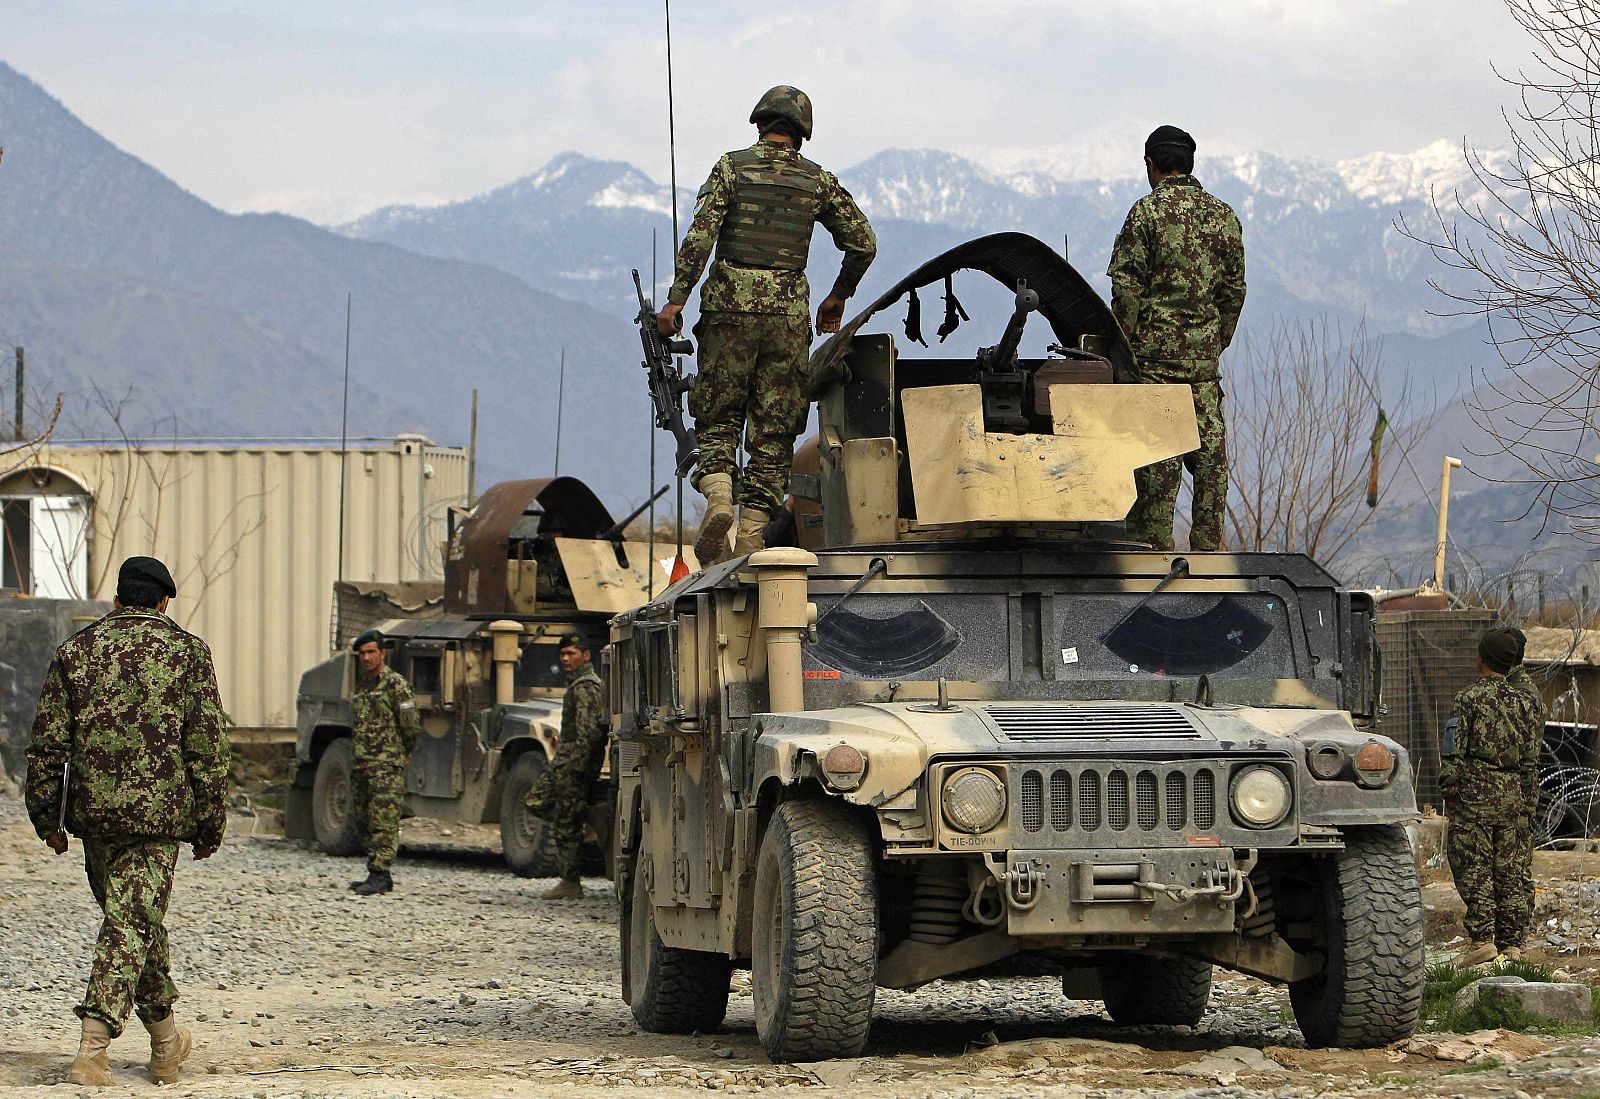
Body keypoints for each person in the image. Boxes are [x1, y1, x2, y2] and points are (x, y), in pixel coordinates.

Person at [24, 555, 227, 1086]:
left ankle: (166, 1043)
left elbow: (46, 745)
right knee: (132, 922)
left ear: (117, 600)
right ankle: (92, 1049)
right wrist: (209, 824)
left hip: (95, 818)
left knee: (131, 921)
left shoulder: (76, 652)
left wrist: (47, 816)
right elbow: (207, 750)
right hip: (159, 821)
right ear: (164, 602)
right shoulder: (188, 653)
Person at [657, 84, 876, 565]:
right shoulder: (817, 181)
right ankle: (754, 535)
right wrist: (838, 296)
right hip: (786, 318)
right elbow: (863, 242)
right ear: (801, 131)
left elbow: (699, 240)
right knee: (774, 433)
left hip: (727, 313)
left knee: (717, 420)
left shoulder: (731, 168)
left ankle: (718, 500)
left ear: (760, 123)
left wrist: (675, 303)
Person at [1108, 124, 1246, 552]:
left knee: (1155, 476)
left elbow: (1126, 293)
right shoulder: (1223, 217)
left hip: (1153, 377)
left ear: (1151, 165)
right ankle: (1207, 563)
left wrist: (1122, 351)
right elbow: (1233, 292)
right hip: (1203, 376)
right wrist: (1209, 343)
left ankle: (1152, 566)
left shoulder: (1146, 214)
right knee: (1210, 473)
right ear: (1190, 163)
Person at [1442, 628, 1543, 967]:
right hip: (1513, 797)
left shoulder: (1468, 698)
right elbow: (1531, 760)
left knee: (1475, 868)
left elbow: (1453, 752)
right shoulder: (1527, 700)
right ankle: (1513, 945)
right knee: (1511, 870)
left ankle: (1483, 941)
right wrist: (1528, 803)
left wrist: (1450, 791)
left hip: (1475, 796)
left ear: (1481, 659)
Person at [524, 634, 607, 900]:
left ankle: (570, 881)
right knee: (541, 804)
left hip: (574, 767)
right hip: (567, 764)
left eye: (571, 653)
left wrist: (577, 767)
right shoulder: (577, 684)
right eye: (562, 654)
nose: (565, 659)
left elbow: (590, 733)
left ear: (585, 656)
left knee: (567, 819)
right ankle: (583, 830)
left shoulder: (585, 686)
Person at [347, 629, 420, 897]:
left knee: (383, 821)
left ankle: (379, 873)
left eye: (371, 652)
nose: (366, 658)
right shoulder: (361, 686)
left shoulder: (395, 685)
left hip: (386, 766)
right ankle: (379, 873)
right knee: (363, 818)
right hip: (362, 765)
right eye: (362, 653)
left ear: (383, 653)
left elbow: (410, 726)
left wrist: (402, 752)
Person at [1504, 626, 1547, 957]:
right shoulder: (1513, 689)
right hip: (1514, 789)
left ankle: (1515, 940)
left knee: (1514, 864)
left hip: (1516, 789)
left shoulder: (1520, 693)